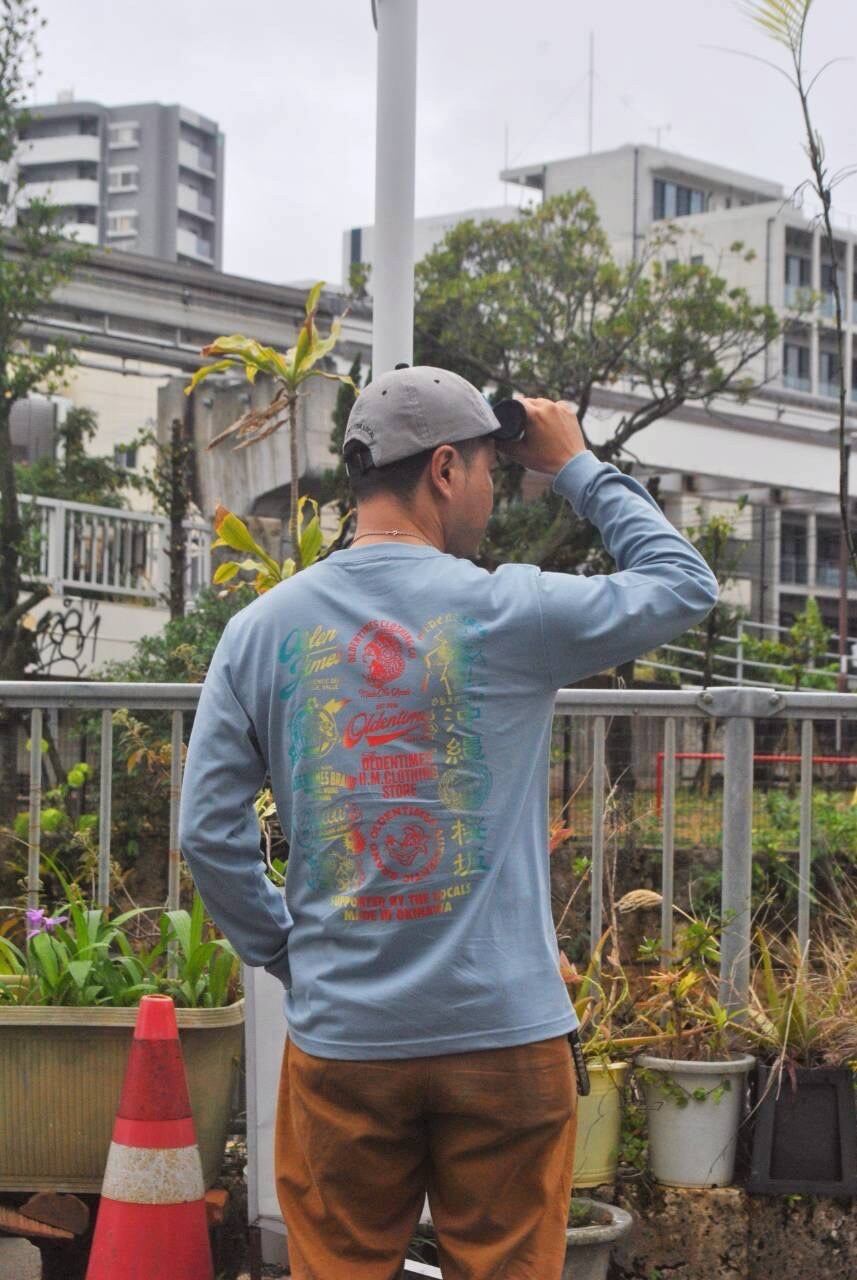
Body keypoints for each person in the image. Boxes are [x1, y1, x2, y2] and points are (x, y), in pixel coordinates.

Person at [180, 367, 718, 1280]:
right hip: (502, 1035)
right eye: (485, 473)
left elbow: (207, 831)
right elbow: (681, 584)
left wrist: (290, 952)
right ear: (442, 469)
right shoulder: (513, 609)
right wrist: (576, 466)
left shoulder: (262, 630)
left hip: (345, 1037)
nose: (489, 496)